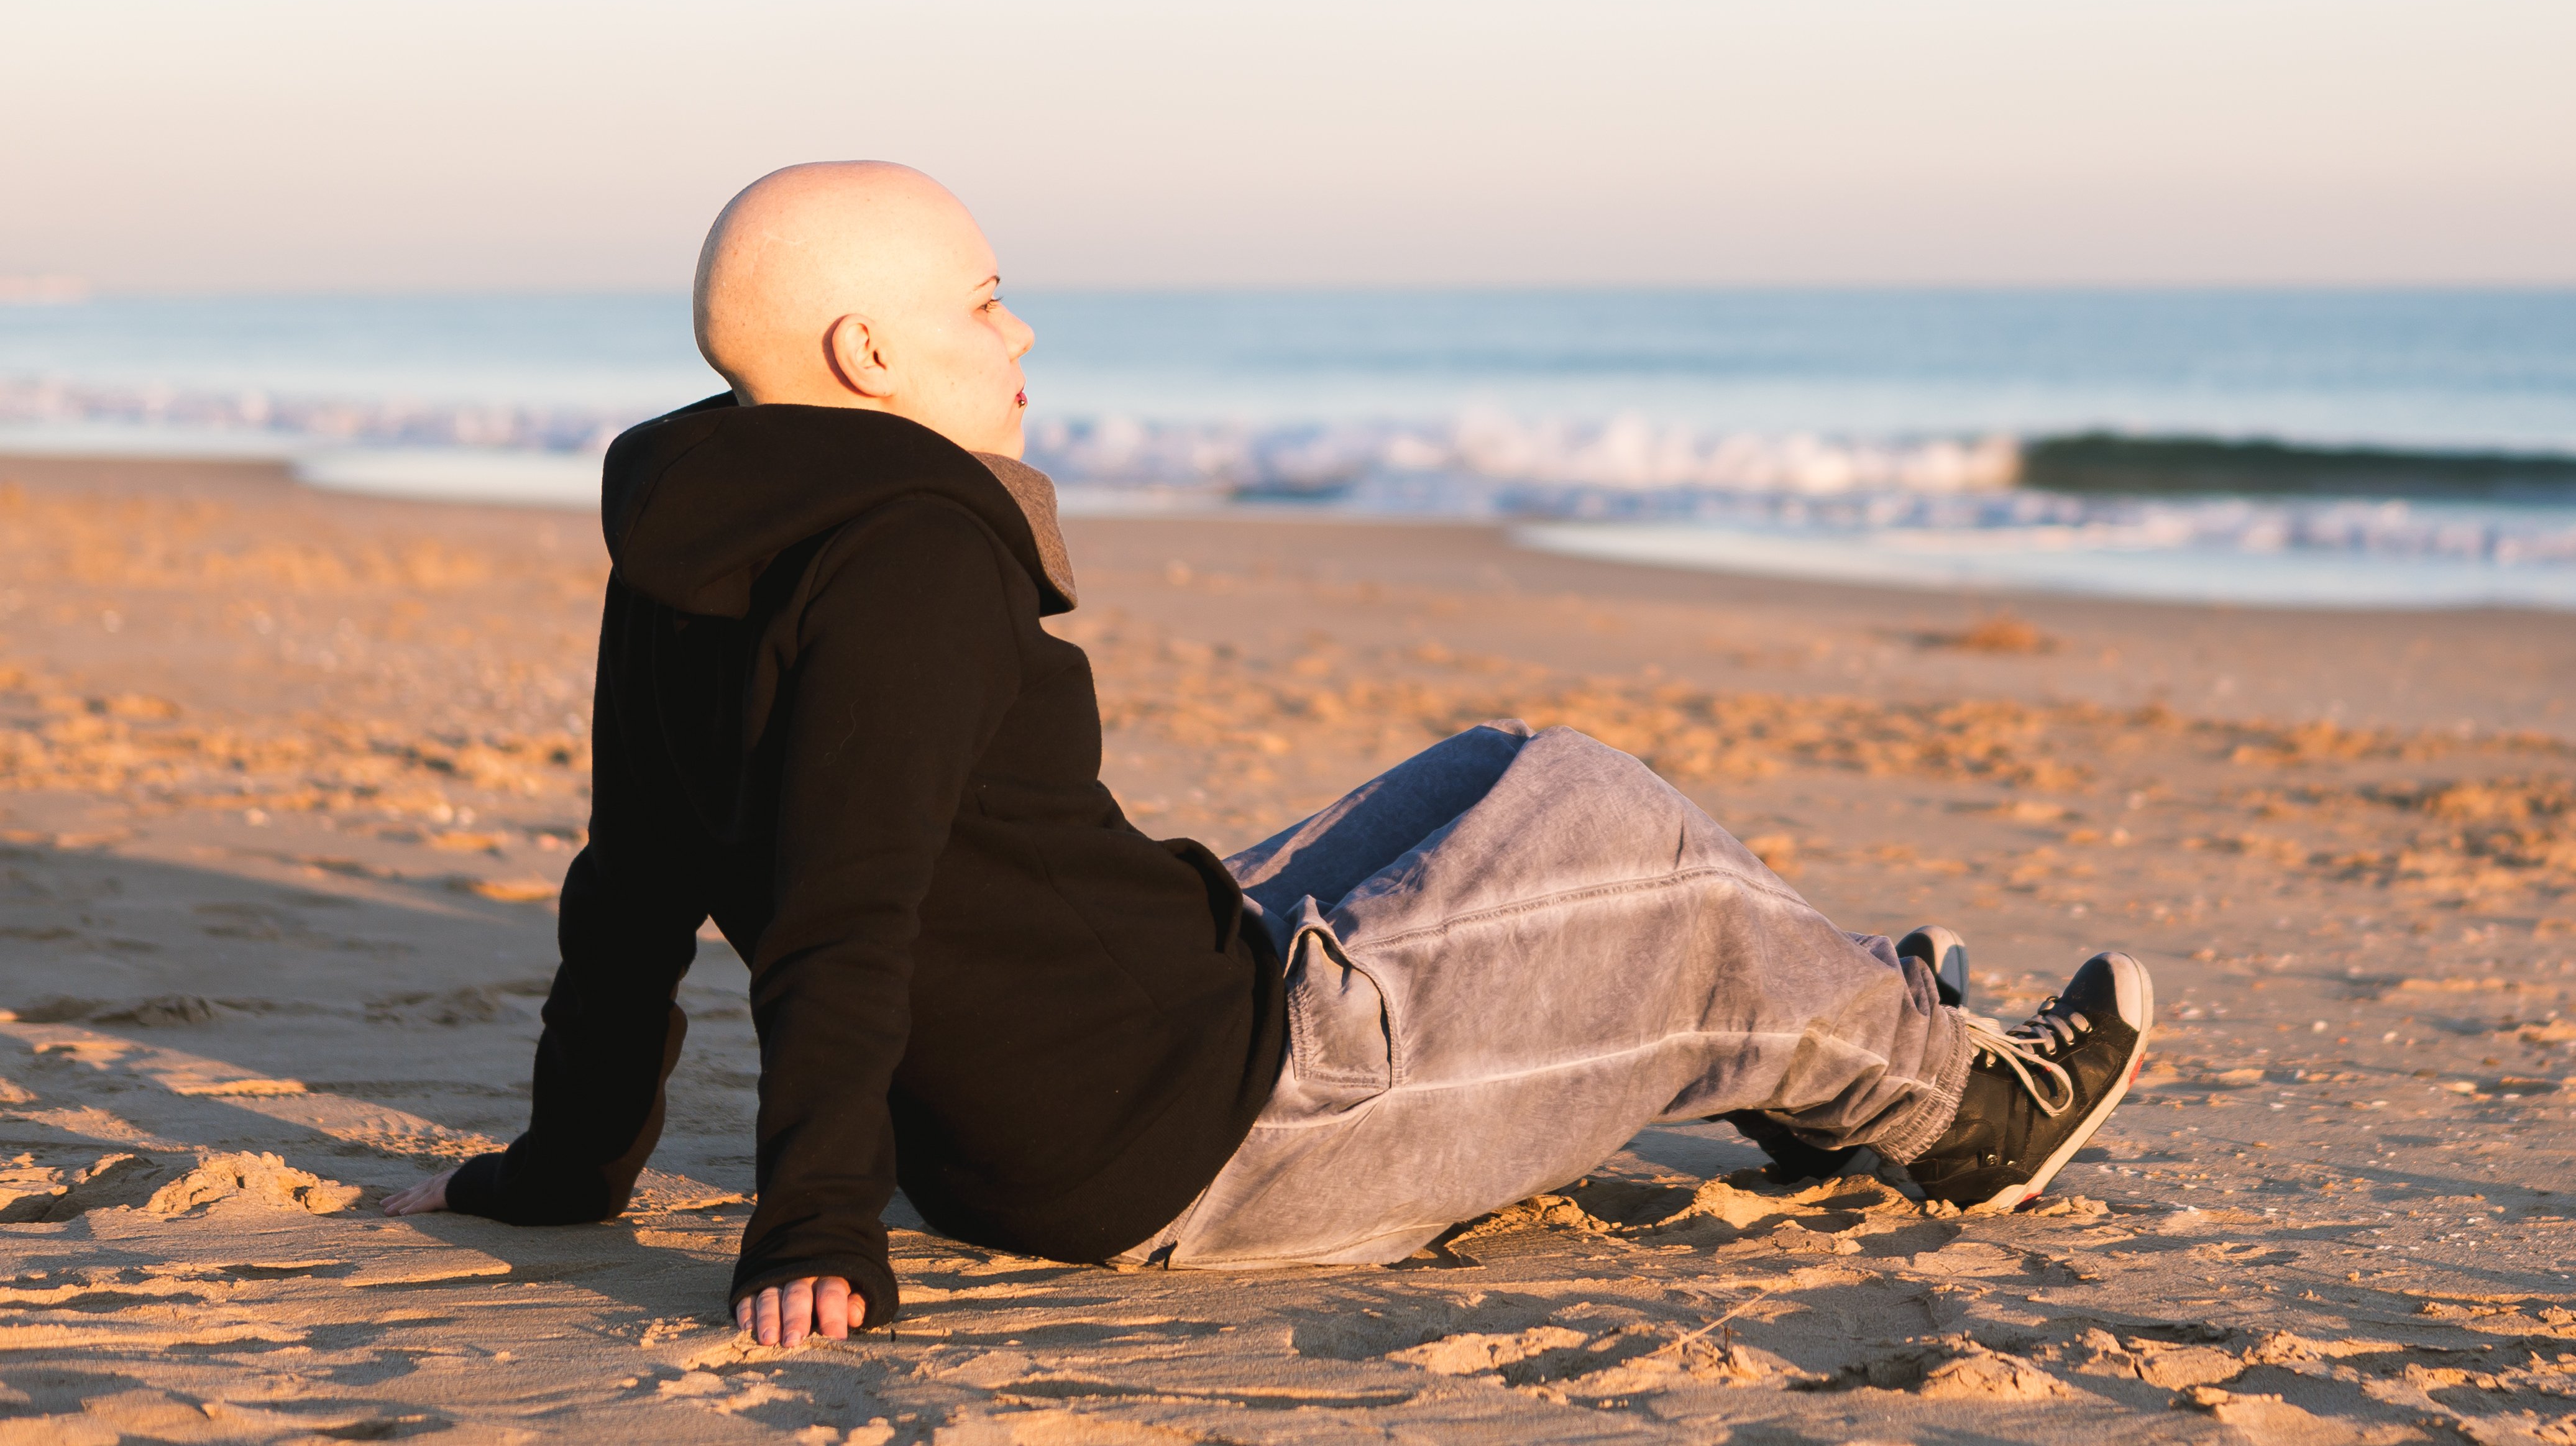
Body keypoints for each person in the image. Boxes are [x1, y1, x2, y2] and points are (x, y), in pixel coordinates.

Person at [382, 163, 2153, 1344]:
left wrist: (569, 1168)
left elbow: (634, 879)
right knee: (1628, 835)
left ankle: (1827, 1048)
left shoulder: (708, 533)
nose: (1020, 337)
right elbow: (850, 903)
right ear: (866, 350)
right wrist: (813, 1226)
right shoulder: (908, 552)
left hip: (1127, 1046)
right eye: (986, 305)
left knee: (1496, 767)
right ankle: (1968, 1104)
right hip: (1208, 1141)